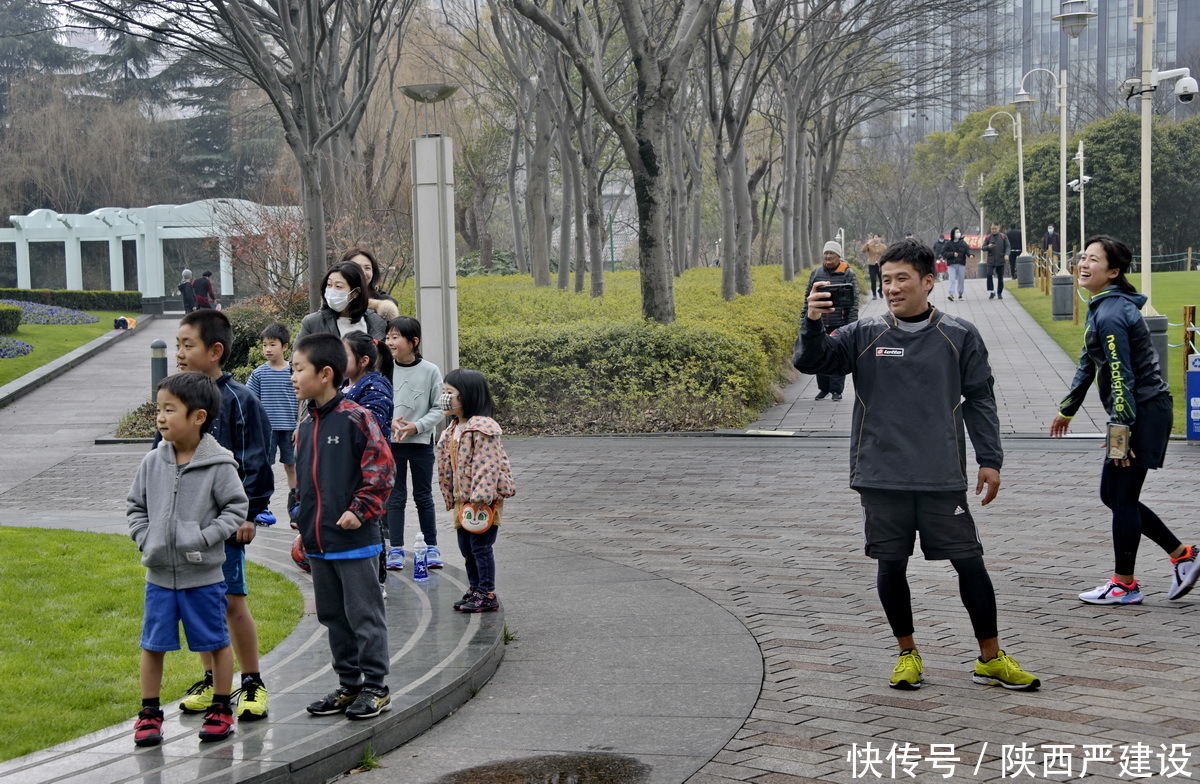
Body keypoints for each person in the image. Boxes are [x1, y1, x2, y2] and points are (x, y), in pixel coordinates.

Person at [794, 238, 1040, 692]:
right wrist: (811, 321)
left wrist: (990, 459)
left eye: (902, 278)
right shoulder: (864, 335)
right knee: (891, 566)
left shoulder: (959, 335)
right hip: (880, 474)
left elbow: (980, 398)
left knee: (971, 564)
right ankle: (907, 653)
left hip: (940, 474)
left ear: (929, 281)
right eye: (886, 280)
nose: (892, 287)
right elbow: (811, 360)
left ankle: (991, 657)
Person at [1050, 235, 1198, 605]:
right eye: (1082, 257)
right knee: (1113, 494)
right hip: (1140, 412)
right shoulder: (1103, 307)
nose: (1083, 264)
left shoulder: (1113, 313)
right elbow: (1088, 361)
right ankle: (1183, 556)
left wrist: (1121, 434)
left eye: (1093, 260)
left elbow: (1121, 376)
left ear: (1113, 272)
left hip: (1143, 413)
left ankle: (1125, 584)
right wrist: (1067, 408)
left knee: (1122, 495)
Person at [128, 372, 249, 746]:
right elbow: (135, 507)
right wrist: (145, 538)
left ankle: (220, 707)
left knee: (215, 642)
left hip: (204, 577)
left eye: (170, 409)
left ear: (198, 417)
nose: (161, 417)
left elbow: (235, 508)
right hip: (160, 577)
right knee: (153, 644)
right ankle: (149, 713)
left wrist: (205, 537)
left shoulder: (219, 464)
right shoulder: (152, 462)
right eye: (159, 409)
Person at [173, 309, 274, 722]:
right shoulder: (177, 398)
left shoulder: (239, 400)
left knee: (232, 600)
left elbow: (256, 460)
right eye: (177, 344)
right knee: (197, 603)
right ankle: (213, 679)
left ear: (215, 351)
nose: (179, 353)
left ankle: (252, 682)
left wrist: (249, 512)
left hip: (227, 527)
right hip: (186, 528)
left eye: (187, 345)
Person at [292, 332, 396, 720]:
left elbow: (382, 472)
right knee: (333, 616)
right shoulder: (304, 425)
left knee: (364, 615)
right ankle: (349, 685)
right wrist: (300, 517)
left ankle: (376, 687)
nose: (292, 376)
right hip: (319, 543)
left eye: (298, 369)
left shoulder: (356, 418)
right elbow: (303, 481)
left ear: (326, 374)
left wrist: (360, 509)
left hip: (355, 540)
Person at [436, 368, 516, 613]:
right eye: (443, 392)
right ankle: (475, 587)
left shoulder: (483, 427)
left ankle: (487, 592)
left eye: (450, 393)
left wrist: (481, 498)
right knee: (466, 546)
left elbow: (488, 464)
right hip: (463, 499)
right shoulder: (453, 427)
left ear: (467, 396)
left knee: (480, 546)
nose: (444, 397)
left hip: (483, 501)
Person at [384, 316, 444, 573]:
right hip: (392, 444)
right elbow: (378, 404)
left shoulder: (430, 370)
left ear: (414, 341)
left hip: (420, 443)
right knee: (394, 498)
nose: (390, 342)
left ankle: (431, 546)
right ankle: (395, 548)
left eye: (395, 337)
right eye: (388, 337)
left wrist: (417, 426)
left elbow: (440, 407)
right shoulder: (383, 368)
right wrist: (391, 423)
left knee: (423, 497)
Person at [341, 331, 395, 591]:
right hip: (348, 467)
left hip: (370, 470)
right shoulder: (344, 384)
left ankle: (377, 581)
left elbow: (369, 425)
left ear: (362, 360)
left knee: (372, 523)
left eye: (345, 355)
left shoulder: (376, 385)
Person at [247, 324, 299, 518]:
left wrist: (299, 425)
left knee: (291, 466)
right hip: (266, 431)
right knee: (263, 467)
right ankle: (262, 506)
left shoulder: (293, 372)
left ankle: (295, 506)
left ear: (285, 347)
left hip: (290, 429)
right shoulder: (259, 373)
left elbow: (301, 399)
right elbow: (250, 400)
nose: (267, 349)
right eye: (264, 345)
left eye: (272, 344)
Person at [803, 240, 858, 401]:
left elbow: (853, 302)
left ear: (838, 256)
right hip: (819, 322)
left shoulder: (848, 273)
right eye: (826, 253)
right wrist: (805, 318)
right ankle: (823, 388)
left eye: (831, 253)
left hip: (840, 323)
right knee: (819, 355)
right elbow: (808, 298)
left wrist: (851, 324)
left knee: (837, 356)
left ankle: (836, 390)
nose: (828, 256)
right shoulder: (816, 272)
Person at [296, 262, 387, 343]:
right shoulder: (313, 323)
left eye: (338, 286)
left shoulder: (377, 322)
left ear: (355, 293)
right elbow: (297, 360)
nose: (332, 291)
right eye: (329, 285)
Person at [341, 248, 401, 323]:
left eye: (367, 268)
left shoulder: (385, 303)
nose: (363, 272)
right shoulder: (334, 299)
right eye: (357, 267)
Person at [941, 227, 971, 301]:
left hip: (961, 263)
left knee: (961, 279)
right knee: (952, 279)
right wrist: (952, 254)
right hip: (951, 264)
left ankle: (960, 294)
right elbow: (943, 252)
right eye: (956, 232)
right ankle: (951, 294)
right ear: (953, 234)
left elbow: (967, 250)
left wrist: (970, 254)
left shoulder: (963, 243)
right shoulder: (948, 243)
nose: (958, 234)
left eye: (959, 232)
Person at [982, 223, 1011, 300]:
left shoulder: (1003, 237)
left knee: (1000, 278)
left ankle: (999, 292)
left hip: (1000, 260)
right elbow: (983, 248)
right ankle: (991, 291)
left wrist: (1007, 254)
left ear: (999, 228)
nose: (994, 230)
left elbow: (1008, 246)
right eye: (992, 229)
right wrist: (988, 246)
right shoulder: (988, 238)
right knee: (989, 274)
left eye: (995, 229)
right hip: (991, 260)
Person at [860, 234, 886, 300]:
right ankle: (874, 294)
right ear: (873, 238)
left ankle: (880, 290)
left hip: (880, 265)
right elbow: (863, 250)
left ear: (880, 238)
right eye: (875, 237)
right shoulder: (870, 246)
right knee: (873, 280)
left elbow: (887, 253)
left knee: (881, 279)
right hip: (872, 265)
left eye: (877, 237)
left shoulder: (883, 246)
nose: (876, 239)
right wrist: (867, 244)